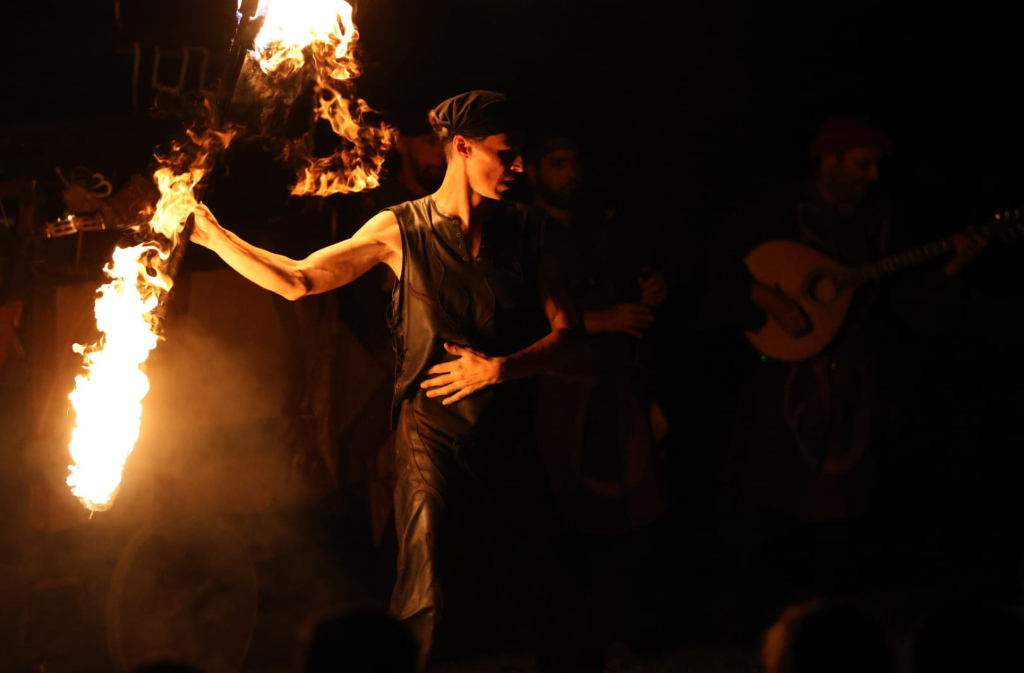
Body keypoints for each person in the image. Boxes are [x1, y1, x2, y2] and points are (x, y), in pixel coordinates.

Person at [190, 90, 601, 673]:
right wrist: (212, 236)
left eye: (521, 156)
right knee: (428, 590)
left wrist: (501, 368)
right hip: (431, 436)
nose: (517, 168)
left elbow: (572, 338)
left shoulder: (529, 231)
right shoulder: (400, 229)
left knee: (544, 585)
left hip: (508, 432)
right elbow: (299, 280)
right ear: (461, 148)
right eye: (505, 154)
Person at [699, 113, 989, 625]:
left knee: (840, 510)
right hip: (782, 381)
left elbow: (909, 308)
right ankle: (755, 624)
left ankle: (827, 625)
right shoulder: (777, 210)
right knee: (769, 495)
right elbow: (718, 262)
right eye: (863, 163)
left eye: (876, 165)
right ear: (828, 160)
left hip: (852, 385)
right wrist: (771, 299)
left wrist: (953, 266)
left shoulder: (880, 223)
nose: (873, 175)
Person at [519, 125, 675, 652]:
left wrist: (654, 285)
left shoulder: (602, 224)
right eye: (558, 163)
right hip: (563, 391)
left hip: (621, 384)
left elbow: (636, 277)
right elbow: (519, 314)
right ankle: (573, 635)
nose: (571, 174)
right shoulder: (521, 232)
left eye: (574, 162)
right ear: (535, 170)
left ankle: (631, 629)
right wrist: (596, 321)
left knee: (635, 513)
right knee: (570, 518)